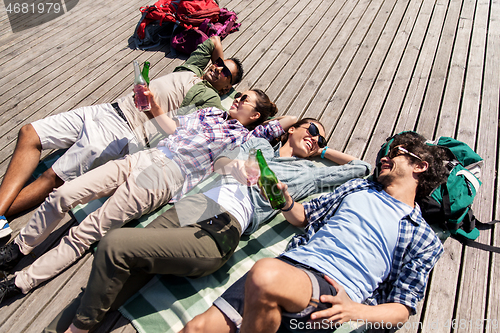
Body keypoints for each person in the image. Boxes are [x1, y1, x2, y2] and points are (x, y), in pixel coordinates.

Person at [44, 118, 371, 333]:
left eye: (320, 139)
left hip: (226, 224)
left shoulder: (309, 173)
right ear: (293, 129)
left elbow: (362, 168)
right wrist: (237, 169)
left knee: (114, 246)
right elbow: (222, 162)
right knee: (125, 269)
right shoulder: (258, 146)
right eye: (311, 130)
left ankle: (79, 328)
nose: (314, 138)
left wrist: (324, 151)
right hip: (196, 205)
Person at [0, 89, 295, 306]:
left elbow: (276, 127)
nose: (239, 98)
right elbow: (173, 129)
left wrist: (242, 167)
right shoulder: (209, 113)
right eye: (240, 94)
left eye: (246, 100)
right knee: (63, 194)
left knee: (89, 229)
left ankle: (20, 282)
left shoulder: (243, 138)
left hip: (167, 176)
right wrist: (153, 105)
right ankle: (19, 248)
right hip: (145, 157)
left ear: (255, 116)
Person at [179, 131, 449, 333]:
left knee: (265, 275)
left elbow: (402, 309)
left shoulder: (423, 237)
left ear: (420, 166)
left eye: (397, 152)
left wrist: (356, 310)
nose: (386, 157)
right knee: (196, 328)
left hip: (331, 290)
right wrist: (283, 202)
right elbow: (304, 216)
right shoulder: (358, 187)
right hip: (293, 266)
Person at [0, 35, 243, 236]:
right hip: (107, 109)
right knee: (29, 132)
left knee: (52, 176)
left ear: (227, 89)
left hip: (123, 131)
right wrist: (220, 60)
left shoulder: (210, 101)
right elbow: (213, 41)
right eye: (219, 64)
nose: (219, 68)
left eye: (225, 74)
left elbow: (202, 129)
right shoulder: (191, 68)